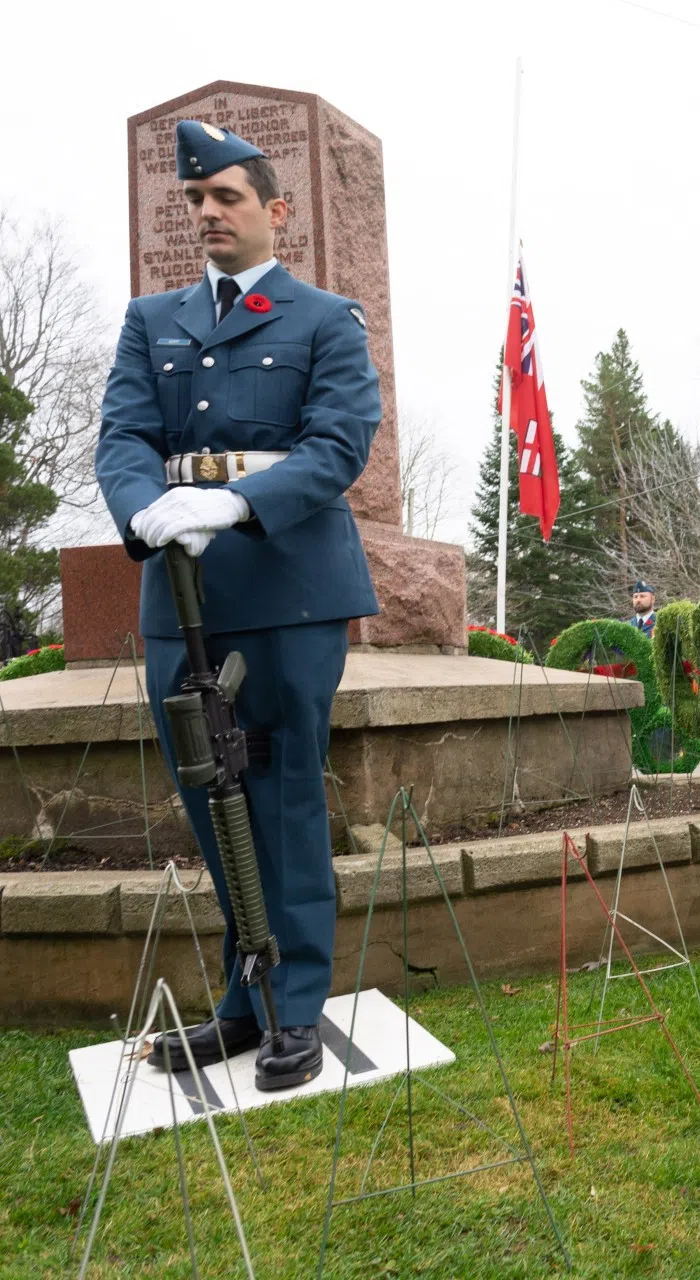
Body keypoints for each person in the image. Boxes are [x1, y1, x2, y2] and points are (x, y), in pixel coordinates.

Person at [95, 121, 379, 1091]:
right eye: (195, 200)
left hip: (290, 593)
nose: (208, 213)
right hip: (183, 591)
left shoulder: (325, 319)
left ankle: (292, 1009)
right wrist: (149, 512)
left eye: (227, 197)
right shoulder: (152, 320)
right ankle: (246, 1001)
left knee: (285, 801)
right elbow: (124, 435)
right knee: (212, 805)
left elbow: (339, 444)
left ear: (275, 211)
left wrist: (234, 501)